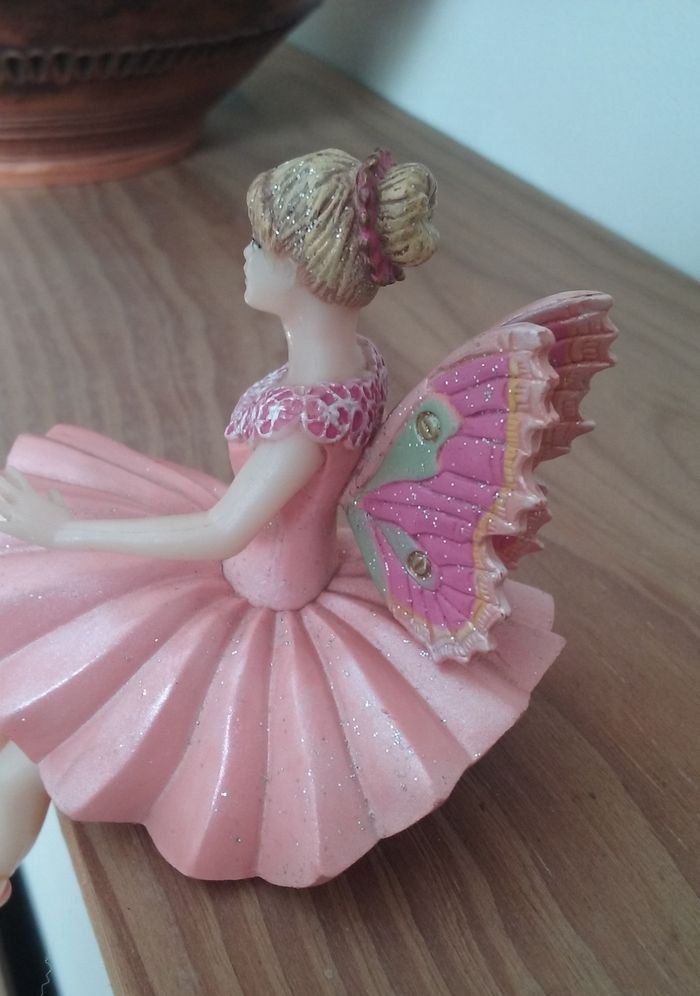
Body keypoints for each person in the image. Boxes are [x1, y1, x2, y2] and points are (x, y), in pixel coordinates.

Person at [0, 149, 612, 891]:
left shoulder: (303, 426)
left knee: (61, 726)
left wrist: (63, 533)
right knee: (53, 685)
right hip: (291, 558)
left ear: (298, 268)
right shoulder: (358, 362)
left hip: (261, 589)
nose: (245, 255)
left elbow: (220, 532)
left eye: (260, 244)